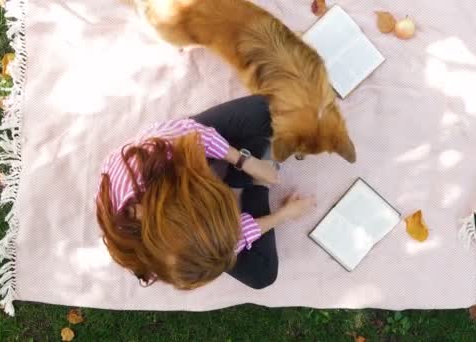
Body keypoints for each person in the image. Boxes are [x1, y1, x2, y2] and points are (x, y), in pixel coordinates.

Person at [95, 95, 316, 290]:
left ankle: (246, 166)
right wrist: (282, 215)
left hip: (175, 159)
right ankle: (254, 184)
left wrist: (244, 162)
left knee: (267, 110)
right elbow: (228, 245)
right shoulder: (164, 264)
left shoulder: (155, 151)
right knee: (262, 274)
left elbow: (196, 134)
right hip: (182, 199)